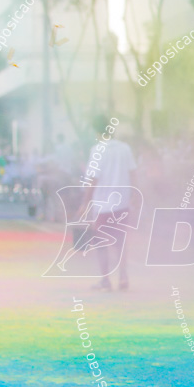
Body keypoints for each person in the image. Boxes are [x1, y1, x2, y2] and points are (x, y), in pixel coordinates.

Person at [80, 116, 137, 292]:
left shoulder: (97, 150)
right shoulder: (125, 148)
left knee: (101, 243)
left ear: (97, 132)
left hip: (103, 204)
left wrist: (85, 203)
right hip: (122, 202)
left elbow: (93, 179)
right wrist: (134, 196)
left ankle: (105, 280)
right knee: (120, 241)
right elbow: (133, 172)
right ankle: (123, 277)